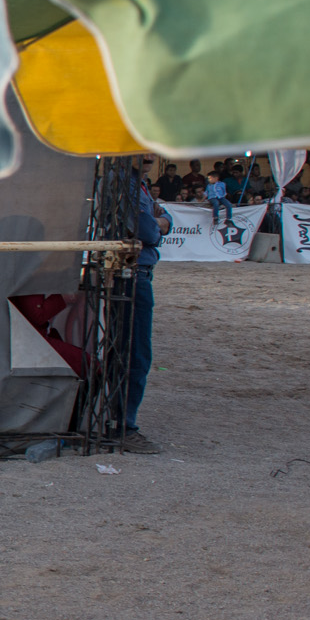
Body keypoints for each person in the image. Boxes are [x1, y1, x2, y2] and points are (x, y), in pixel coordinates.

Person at [121, 157, 170, 455]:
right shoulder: (126, 184)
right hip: (133, 275)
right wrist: (162, 222)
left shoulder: (135, 183)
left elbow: (157, 222)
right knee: (135, 353)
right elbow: (149, 230)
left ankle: (121, 421)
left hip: (137, 273)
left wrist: (161, 220)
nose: (149, 156)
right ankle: (124, 425)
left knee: (132, 352)